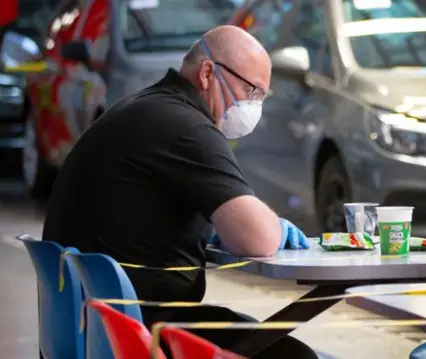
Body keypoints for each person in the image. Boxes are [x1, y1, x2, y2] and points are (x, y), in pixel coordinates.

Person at [43, 25, 316, 358]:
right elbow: (257, 239)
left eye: (261, 96)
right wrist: (272, 225)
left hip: (92, 326)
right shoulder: (186, 126)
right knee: (293, 356)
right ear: (206, 74)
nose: (253, 105)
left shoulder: (144, 107)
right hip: (141, 328)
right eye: (251, 91)